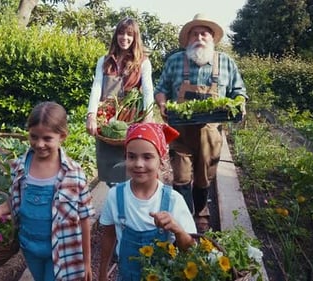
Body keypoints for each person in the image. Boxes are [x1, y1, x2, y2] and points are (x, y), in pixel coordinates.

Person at [154, 13, 248, 233]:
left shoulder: (225, 62)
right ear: (188, 39)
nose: (199, 37)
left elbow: (239, 91)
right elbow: (161, 90)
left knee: (204, 176)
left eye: (204, 33)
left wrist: (240, 103)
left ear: (212, 38)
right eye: (194, 33)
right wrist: (161, 104)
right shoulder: (176, 61)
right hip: (180, 131)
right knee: (181, 176)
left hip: (211, 132)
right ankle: (184, 218)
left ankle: (201, 212)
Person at [0, 101, 95, 281]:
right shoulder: (20, 166)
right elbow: (16, 199)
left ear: (62, 136)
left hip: (60, 250)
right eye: (34, 136)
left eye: (47, 138)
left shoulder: (74, 173)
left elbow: (84, 218)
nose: (39, 144)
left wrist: (86, 261)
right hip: (29, 246)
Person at [98, 123, 197, 281]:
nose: (138, 163)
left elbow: (191, 248)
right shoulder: (115, 196)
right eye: (132, 156)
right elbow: (109, 236)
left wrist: (177, 229)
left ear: (161, 160)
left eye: (147, 157)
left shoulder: (173, 200)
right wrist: (102, 273)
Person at [86, 17, 154, 136]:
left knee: (130, 152)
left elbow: (148, 91)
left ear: (135, 38)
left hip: (130, 118)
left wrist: (148, 117)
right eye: (121, 33)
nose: (125, 38)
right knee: (105, 152)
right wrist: (91, 115)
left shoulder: (143, 62)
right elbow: (96, 88)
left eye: (129, 34)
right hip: (106, 118)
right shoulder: (104, 61)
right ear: (116, 36)